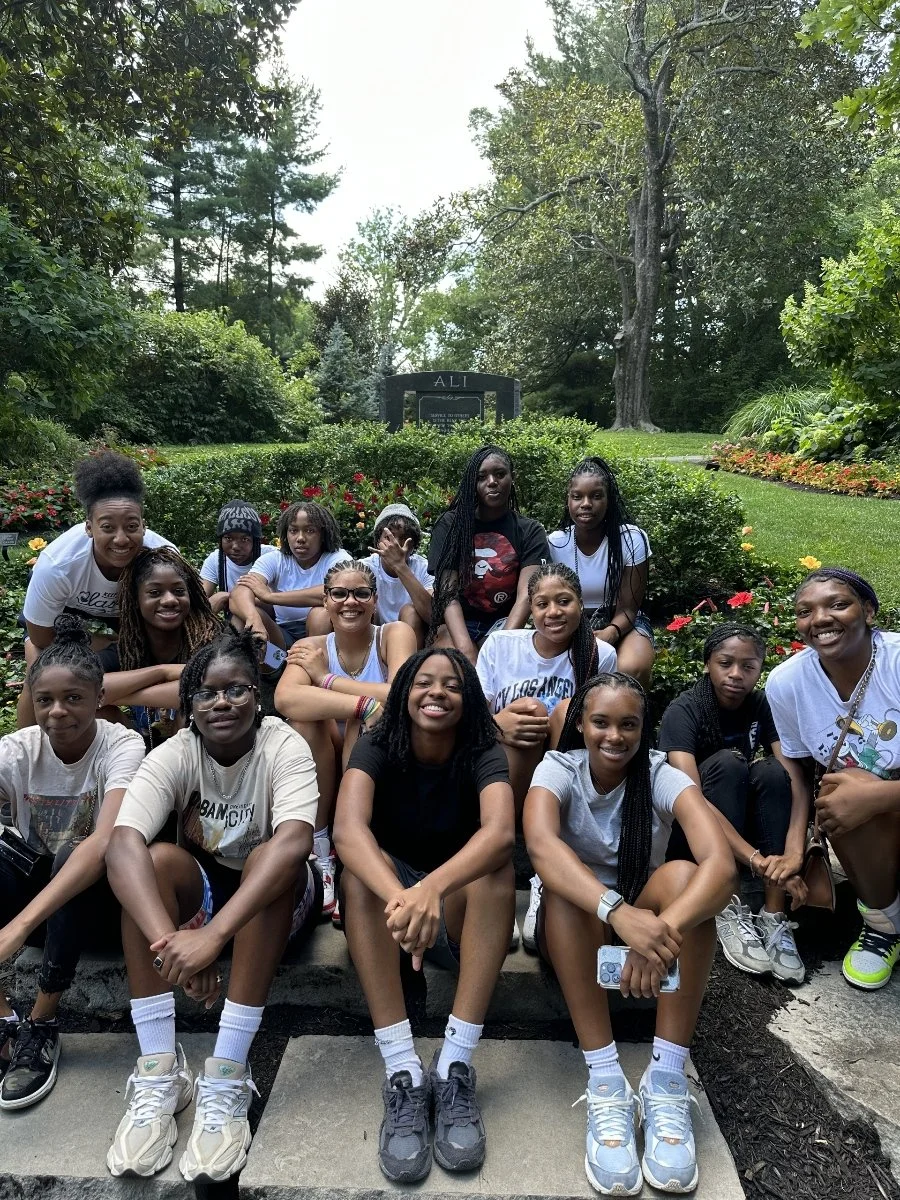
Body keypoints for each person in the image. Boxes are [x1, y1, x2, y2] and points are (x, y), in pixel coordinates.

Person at [105, 627, 321, 1182]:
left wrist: (214, 937)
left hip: (278, 902)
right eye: (206, 692)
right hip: (202, 898)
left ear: (258, 693)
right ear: (190, 704)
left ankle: (226, 1072)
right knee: (150, 861)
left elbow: (298, 839)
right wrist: (173, 947)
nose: (222, 702)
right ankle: (158, 1071)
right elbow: (122, 843)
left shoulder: (283, 745)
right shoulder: (177, 753)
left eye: (237, 689)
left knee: (271, 859)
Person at [524, 672, 735, 1196]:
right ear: (581, 724)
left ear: (644, 729)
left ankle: (666, 1077)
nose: (613, 736)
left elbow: (722, 866)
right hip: (577, 928)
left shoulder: (660, 774)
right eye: (600, 722)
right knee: (572, 887)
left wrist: (661, 931)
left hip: (644, 931)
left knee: (688, 879)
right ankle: (605, 1081)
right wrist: (619, 914)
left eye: (627, 724)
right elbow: (542, 847)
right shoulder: (558, 769)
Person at [333, 647, 515, 1183]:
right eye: (424, 682)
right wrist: (403, 898)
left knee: (497, 870)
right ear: (405, 690)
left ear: (470, 700)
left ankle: (455, 1065)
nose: (436, 692)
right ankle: (403, 1071)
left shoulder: (484, 749)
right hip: (391, 914)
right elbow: (347, 830)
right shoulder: (377, 744)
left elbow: (501, 832)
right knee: (360, 877)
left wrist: (432, 889)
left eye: (452, 686)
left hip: (453, 904)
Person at [0, 616, 145, 1109]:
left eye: (73, 698)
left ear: (99, 698)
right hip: (37, 904)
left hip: (93, 909)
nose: (57, 712)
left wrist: (19, 927)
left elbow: (104, 841)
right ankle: (4, 1022)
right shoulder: (17, 751)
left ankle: (42, 1023)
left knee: (77, 849)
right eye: (45, 700)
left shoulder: (121, 745)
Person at [766, 568, 900, 991]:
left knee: (860, 787)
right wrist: (794, 844)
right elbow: (800, 769)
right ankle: (884, 924)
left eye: (837, 604)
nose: (819, 618)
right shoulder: (788, 684)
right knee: (843, 788)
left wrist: (881, 796)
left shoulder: (895, 663)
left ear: (870, 612)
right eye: (805, 612)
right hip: (874, 831)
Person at [476, 563, 617, 952]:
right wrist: (498, 724)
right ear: (530, 610)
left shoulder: (599, 655)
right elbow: (469, 720)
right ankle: (498, 873)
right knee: (529, 711)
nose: (552, 612)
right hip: (506, 771)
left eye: (563, 601)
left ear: (580, 606)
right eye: (542, 604)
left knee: (564, 710)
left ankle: (544, 881)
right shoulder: (502, 645)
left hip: (566, 781)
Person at [659, 625, 807, 984]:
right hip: (693, 832)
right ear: (708, 663)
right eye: (725, 663)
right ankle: (729, 904)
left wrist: (792, 854)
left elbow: (796, 782)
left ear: (760, 670)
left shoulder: (761, 705)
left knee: (773, 772)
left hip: (745, 828)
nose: (736, 675)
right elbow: (687, 796)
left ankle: (774, 915)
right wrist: (755, 859)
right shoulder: (685, 710)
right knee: (728, 762)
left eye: (749, 666)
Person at [275, 560, 417, 920]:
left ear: (374, 599)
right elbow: (285, 699)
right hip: (321, 757)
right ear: (325, 601)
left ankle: (359, 846)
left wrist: (325, 680)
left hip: (376, 756)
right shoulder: (311, 645)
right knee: (308, 722)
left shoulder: (394, 634)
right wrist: (365, 703)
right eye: (339, 593)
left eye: (360, 593)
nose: (349, 601)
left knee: (359, 720)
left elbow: (403, 692)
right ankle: (321, 852)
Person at [18, 451, 175, 727]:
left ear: (144, 525)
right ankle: (29, 755)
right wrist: (93, 641)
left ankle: (147, 727)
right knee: (41, 675)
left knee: (161, 649)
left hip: (127, 613)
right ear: (89, 527)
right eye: (107, 527)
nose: (121, 538)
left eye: (131, 526)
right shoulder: (58, 565)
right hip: (65, 612)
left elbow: (179, 621)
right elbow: (42, 636)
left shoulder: (162, 556)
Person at [427, 446, 550, 665]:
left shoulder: (530, 531)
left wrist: (500, 645)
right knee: (455, 666)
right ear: (471, 484)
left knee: (501, 667)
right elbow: (447, 593)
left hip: (505, 624)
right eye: (481, 477)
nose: (492, 481)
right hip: (458, 623)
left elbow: (525, 595)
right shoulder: (450, 526)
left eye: (500, 474)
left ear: (512, 478)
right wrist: (467, 650)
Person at [96, 547, 221, 746]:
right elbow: (85, 687)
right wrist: (162, 672)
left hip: (191, 753)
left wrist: (123, 696)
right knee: (99, 711)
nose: (170, 600)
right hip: (137, 749)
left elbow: (208, 686)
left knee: (196, 705)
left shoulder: (207, 643)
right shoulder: (129, 649)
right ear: (136, 600)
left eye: (179, 591)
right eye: (155, 592)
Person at [548, 456, 654, 685]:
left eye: (596, 496)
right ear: (568, 501)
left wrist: (611, 632)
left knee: (631, 669)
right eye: (577, 497)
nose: (586, 503)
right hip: (571, 623)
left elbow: (629, 607)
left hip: (623, 622)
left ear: (608, 500)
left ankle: (634, 719)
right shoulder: (556, 543)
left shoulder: (631, 539)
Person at [229, 500, 351, 648]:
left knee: (320, 613)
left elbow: (338, 590)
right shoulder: (275, 559)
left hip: (325, 633)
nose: (300, 538)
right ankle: (259, 668)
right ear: (286, 534)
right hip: (282, 633)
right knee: (242, 615)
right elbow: (240, 592)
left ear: (323, 535)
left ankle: (317, 665)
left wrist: (271, 597)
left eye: (309, 531)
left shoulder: (337, 558)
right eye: (293, 530)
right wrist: (253, 619)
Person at [361, 503, 434, 647]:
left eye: (404, 538)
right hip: (376, 635)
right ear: (378, 541)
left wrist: (399, 566)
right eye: (389, 537)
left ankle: (409, 668)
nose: (396, 544)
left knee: (410, 612)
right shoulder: (365, 567)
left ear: (414, 545)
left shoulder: (424, 568)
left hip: (414, 637)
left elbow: (433, 616)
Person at [198, 500, 279, 621]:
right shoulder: (216, 560)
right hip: (235, 627)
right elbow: (199, 601)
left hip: (272, 628)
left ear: (255, 541)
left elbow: (279, 606)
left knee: (245, 612)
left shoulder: (272, 556)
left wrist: (229, 597)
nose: (235, 546)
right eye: (228, 538)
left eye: (244, 539)